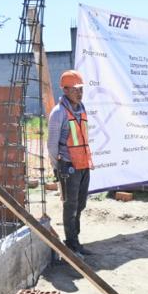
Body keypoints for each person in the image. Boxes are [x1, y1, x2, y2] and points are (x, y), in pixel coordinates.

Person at [47, 70, 94, 256]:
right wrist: (56, 168)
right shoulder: (58, 113)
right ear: (65, 90)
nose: (79, 93)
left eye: (81, 89)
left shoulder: (81, 108)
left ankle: (76, 240)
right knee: (70, 205)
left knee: (80, 204)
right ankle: (71, 243)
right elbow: (52, 145)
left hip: (83, 165)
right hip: (69, 166)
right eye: (75, 89)